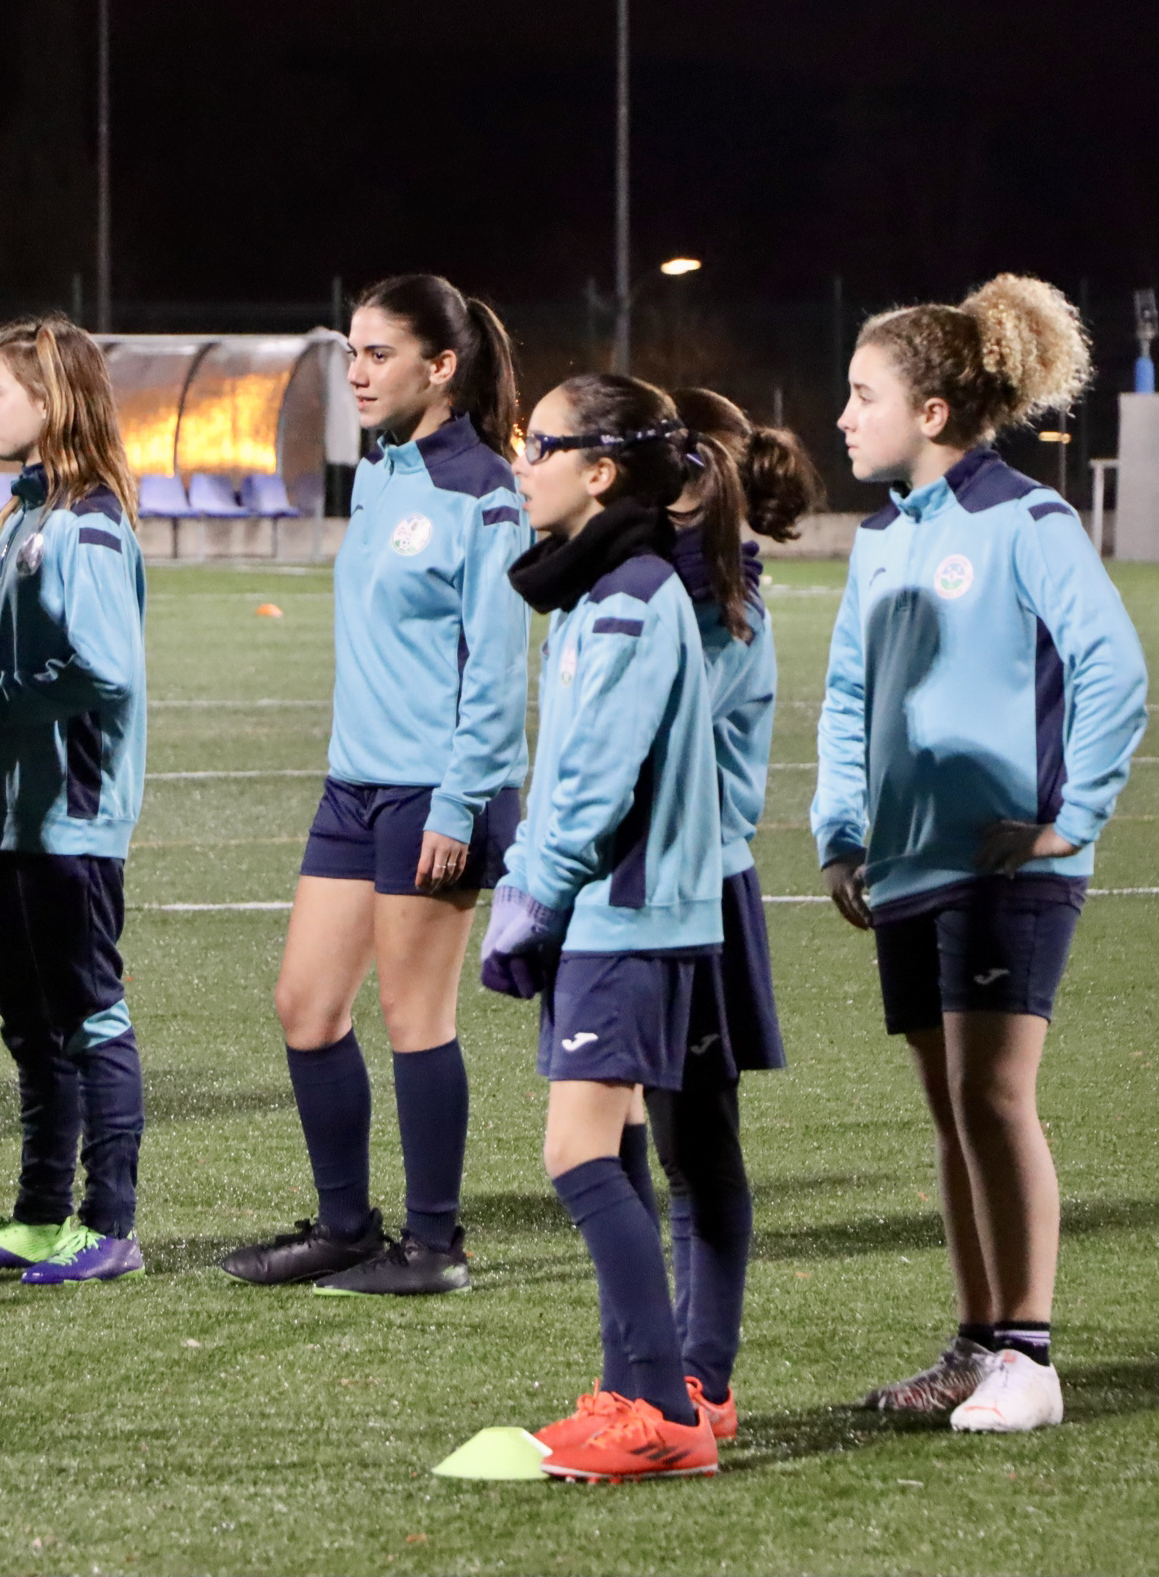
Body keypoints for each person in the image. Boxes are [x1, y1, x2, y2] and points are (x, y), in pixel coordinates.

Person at [812, 274, 1147, 1433]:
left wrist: (1072, 816)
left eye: (864, 396)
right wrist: (841, 831)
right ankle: (976, 1341)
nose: (843, 416)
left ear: (936, 412)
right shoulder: (880, 539)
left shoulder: (1030, 522)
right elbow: (852, 689)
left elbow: (1114, 668)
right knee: (952, 1109)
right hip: (904, 867)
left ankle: (1032, 1357)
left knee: (996, 1098)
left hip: (1008, 865)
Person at [218, 275, 530, 1297]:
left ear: (443, 367)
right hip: (354, 787)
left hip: (437, 789)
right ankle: (347, 1226)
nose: (355, 371)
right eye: (352, 350)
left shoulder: (484, 488)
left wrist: (457, 801)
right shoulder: (382, 472)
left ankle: (435, 1245)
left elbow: (495, 667)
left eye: (379, 353)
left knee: (415, 1018)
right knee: (306, 1006)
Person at [480, 373, 723, 1483]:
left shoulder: (627, 596)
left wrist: (528, 902)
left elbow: (587, 784)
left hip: (623, 916)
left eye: (540, 445)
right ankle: (636, 1391)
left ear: (602, 471)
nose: (521, 463)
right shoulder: (596, 591)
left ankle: (664, 1412)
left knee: (576, 1154)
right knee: (612, 1148)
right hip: (615, 914)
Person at [0, 316, 150, 1286]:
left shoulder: (87, 523)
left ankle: (111, 1224)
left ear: (51, 403)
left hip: (70, 816)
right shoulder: (20, 517)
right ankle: (39, 1213)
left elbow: (102, 671)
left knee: (89, 1012)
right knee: (29, 1021)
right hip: (8, 812)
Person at [637, 386, 827, 1439]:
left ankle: (698, 1377)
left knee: (698, 1151)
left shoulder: (716, 605)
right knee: (628, 1146)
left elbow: (662, 755)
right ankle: (650, 1365)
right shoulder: (656, 587)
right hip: (632, 895)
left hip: (695, 898)